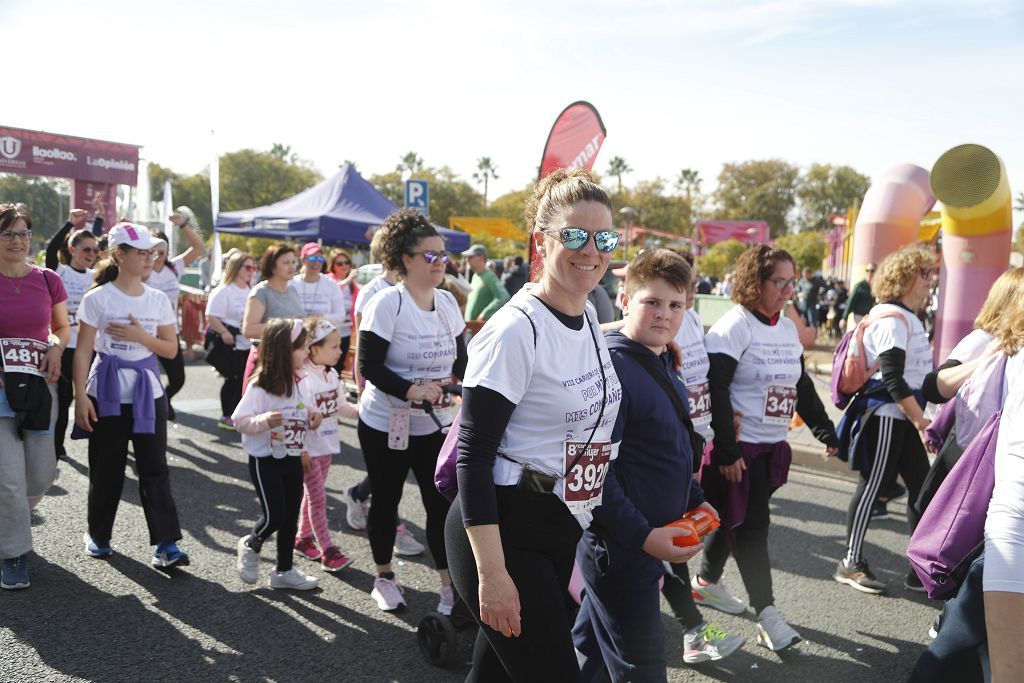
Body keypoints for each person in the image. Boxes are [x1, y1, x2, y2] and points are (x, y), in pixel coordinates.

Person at [445, 168, 623, 681]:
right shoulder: (514, 332)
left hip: (559, 520)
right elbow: (473, 460)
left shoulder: (588, 313)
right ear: (542, 242)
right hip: (503, 529)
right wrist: (493, 574)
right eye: (574, 235)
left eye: (604, 238)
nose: (591, 250)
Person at [573, 249, 742, 681]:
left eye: (676, 304)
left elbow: (669, 451)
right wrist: (645, 537)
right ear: (626, 299)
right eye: (652, 302)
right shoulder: (611, 368)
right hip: (623, 550)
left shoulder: (663, 358)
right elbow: (591, 476)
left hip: (641, 543)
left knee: (590, 654)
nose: (664, 315)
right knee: (642, 668)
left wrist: (696, 500)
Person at [694, 245, 839, 651]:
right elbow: (716, 388)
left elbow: (801, 385)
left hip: (774, 448)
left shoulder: (786, 327)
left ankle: (706, 582)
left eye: (792, 281)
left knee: (731, 519)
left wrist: (825, 429)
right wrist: (726, 449)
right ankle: (768, 615)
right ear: (754, 282)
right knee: (754, 528)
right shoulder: (734, 326)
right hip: (740, 452)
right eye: (781, 282)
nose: (790, 290)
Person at [357, 208, 466, 613]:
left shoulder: (448, 303)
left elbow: (463, 360)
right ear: (405, 259)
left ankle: (448, 585)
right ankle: (384, 576)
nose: (440, 263)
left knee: (439, 505)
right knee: (386, 500)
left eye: (443, 255)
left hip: (433, 423)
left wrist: (469, 389)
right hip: (386, 422)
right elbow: (369, 366)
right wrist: (410, 388)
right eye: (430, 256)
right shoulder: (388, 303)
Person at [74, 223, 189, 569]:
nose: (149, 258)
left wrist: (142, 337)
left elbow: (170, 350)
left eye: (151, 252)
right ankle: (99, 535)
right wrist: (79, 397)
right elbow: (82, 352)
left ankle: (166, 544)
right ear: (119, 255)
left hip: (148, 394)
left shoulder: (157, 300)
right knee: (106, 469)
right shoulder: (98, 297)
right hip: (105, 393)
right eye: (141, 252)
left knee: (155, 469)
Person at [833, 245, 936, 594]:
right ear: (905, 277)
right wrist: (923, 422)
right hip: (888, 417)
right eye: (925, 273)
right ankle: (850, 562)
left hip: (901, 416)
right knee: (871, 488)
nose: (931, 281)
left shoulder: (906, 316)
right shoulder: (892, 317)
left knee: (924, 489)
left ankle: (920, 569)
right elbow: (893, 379)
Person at [342, 233, 426, 558]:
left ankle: (359, 493)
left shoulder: (420, 290)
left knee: (399, 464)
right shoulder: (373, 290)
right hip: (382, 394)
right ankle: (392, 527)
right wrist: (364, 390)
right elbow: (365, 350)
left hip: (415, 396)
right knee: (389, 468)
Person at [0, 204, 69, 590]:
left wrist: (56, 348)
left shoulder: (46, 279)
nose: (17, 241)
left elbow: (61, 326)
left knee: (41, 475)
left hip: (40, 387)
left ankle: (12, 523)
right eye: (8, 233)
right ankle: (13, 554)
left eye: (23, 233)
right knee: (8, 479)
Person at [232, 318, 322, 590]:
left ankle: (283, 570)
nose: (307, 352)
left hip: (292, 456)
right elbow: (240, 420)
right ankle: (251, 542)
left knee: (291, 515)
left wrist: (313, 417)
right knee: (275, 515)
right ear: (283, 350)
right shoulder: (259, 385)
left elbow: (306, 411)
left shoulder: (300, 382)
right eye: (302, 347)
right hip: (265, 459)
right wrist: (264, 421)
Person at [293, 318, 358, 573]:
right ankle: (328, 550)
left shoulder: (331, 375)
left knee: (312, 497)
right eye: (333, 346)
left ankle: (302, 538)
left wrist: (365, 412)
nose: (340, 351)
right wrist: (302, 449)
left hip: (327, 446)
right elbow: (295, 416)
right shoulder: (303, 377)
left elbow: (341, 407)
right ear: (313, 349)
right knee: (318, 499)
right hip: (309, 450)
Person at [45, 213, 100, 460]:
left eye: (94, 250)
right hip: (65, 345)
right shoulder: (60, 272)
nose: (91, 254)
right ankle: (57, 446)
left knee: (93, 395)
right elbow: (50, 250)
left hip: (89, 347)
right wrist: (69, 222)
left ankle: (102, 442)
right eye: (86, 249)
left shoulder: (96, 276)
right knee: (65, 397)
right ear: (72, 249)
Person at [145, 209, 204, 420]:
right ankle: (154, 410)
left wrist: (183, 224)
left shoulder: (174, 267)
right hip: (146, 332)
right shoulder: (142, 269)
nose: (159, 252)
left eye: (163, 247)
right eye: (154, 248)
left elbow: (198, 248)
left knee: (178, 378)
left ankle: (164, 399)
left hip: (169, 331)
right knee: (147, 377)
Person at [241, 243, 306, 387]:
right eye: (285, 262)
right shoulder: (261, 292)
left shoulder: (293, 291)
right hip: (267, 362)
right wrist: (287, 326)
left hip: (290, 362)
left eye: (293, 262)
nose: (291, 266)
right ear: (272, 266)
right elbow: (248, 330)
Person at [204, 251, 256, 430]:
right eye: (248, 267)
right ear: (236, 268)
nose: (251, 271)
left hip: (248, 343)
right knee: (233, 379)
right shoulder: (224, 290)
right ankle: (227, 415)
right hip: (231, 343)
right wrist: (224, 332)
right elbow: (211, 315)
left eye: (253, 267)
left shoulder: (251, 289)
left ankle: (240, 413)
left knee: (246, 379)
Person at [289, 242, 347, 347]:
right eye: (312, 259)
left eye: (320, 259)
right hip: (296, 340)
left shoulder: (331, 284)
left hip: (322, 342)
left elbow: (340, 315)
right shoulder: (292, 283)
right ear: (303, 260)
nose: (316, 263)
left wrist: (318, 319)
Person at [326, 249, 359, 370]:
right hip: (329, 331)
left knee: (339, 365)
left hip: (345, 331)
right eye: (340, 263)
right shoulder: (328, 280)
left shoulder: (352, 285)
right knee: (327, 365)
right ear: (333, 266)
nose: (344, 266)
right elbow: (334, 289)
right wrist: (348, 280)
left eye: (347, 262)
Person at [462, 243, 510, 322]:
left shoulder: (490, 276)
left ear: (481, 257)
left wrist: (485, 314)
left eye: (470, 257)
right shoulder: (475, 276)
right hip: (470, 327)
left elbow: (503, 297)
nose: (467, 260)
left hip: (480, 328)